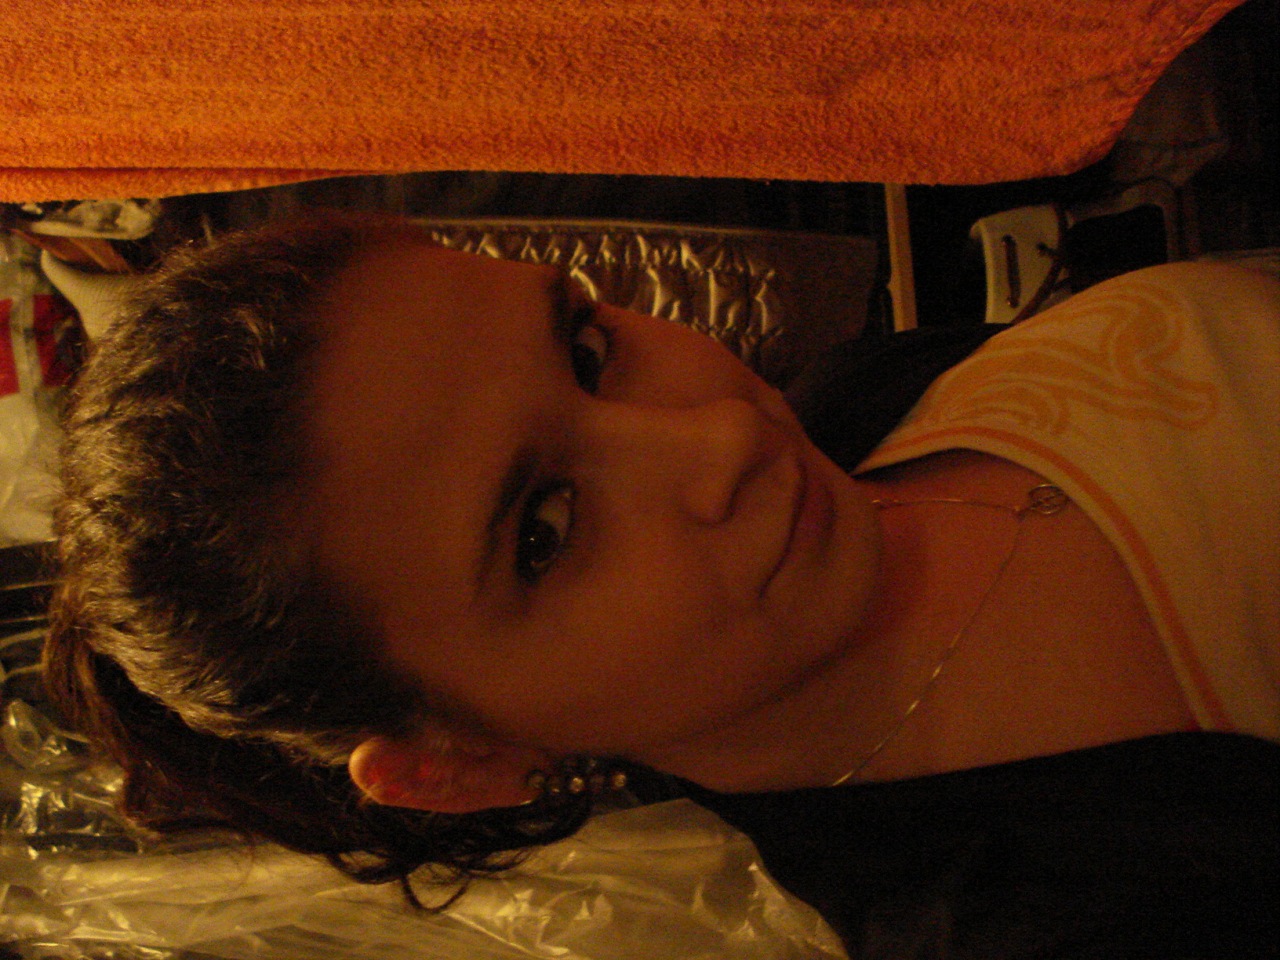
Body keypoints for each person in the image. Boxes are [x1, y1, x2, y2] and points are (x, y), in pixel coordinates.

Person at [45, 212, 1279, 953]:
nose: (721, 438)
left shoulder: (858, 406)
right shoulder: (1077, 914)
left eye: (589, 351)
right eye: (542, 532)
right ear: (459, 766)